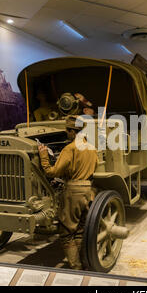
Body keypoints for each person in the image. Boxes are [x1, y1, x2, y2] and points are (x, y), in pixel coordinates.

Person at [38, 115, 98, 270]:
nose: (66, 134)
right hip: (87, 190)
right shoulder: (91, 147)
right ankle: (83, 264)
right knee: (79, 230)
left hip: (73, 192)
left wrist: (44, 156)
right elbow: (95, 167)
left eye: (67, 131)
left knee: (65, 234)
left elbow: (52, 172)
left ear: (72, 131)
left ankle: (76, 268)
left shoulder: (69, 148)